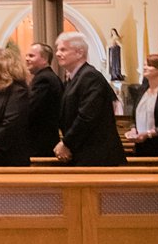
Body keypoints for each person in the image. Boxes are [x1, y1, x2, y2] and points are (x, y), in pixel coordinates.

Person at [53, 32, 126, 166]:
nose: (57, 53)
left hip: (97, 155)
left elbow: (87, 116)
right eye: (57, 50)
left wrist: (66, 143)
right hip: (85, 152)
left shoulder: (89, 77)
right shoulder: (75, 78)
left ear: (80, 53)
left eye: (63, 49)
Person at [24, 43, 63, 160]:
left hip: (39, 144)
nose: (26, 59)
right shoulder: (48, 76)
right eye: (26, 56)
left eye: (31, 56)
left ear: (44, 59)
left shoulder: (44, 79)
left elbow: (31, 109)